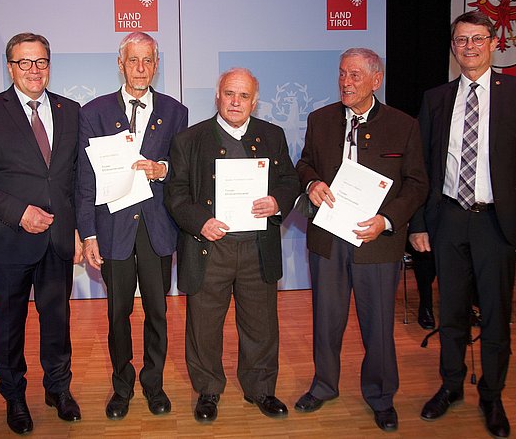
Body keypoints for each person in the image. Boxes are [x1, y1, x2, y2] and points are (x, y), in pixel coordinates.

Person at [410, 11, 516, 438]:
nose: (468, 47)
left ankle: (492, 394)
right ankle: (451, 386)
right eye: (460, 40)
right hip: (449, 219)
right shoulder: (435, 98)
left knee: (494, 315)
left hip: (497, 223)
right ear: (453, 47)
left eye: (476, 39)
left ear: (492, 43)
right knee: (451, 314)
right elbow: (421, 168)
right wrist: (418, 223)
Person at [294, 48, 428, 432]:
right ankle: (323, 386)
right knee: (326, 318)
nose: (346, 82)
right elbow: (305, 162)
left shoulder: (404, 125)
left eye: (354, 75)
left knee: (378, 325)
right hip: (328, 239)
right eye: (341, 74)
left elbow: (418, 184)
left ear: (376, 79)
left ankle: (381, 396)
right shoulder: (319, 120)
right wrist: (312, 182)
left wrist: (387, 221)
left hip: (378, 241)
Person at [0, 33, 82, 435]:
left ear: (50, 64)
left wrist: (80, 230)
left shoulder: (70, 110)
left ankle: (58, 389)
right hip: (11, 239)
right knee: (9, 326)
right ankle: (14, 396)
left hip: (59, 239)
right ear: (10, 67)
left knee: (57, 321)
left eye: (41, 62)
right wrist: (18, 212)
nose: (34, 70)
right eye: (25, 62)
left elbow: (78, 179)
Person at [165, 68, 300, 423]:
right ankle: (208, 390)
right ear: (217, 96)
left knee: (261, 325)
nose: (235, 102)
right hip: (210, 248)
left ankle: (261, 389)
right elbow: (175, 194)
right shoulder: (188, 140)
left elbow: (290, 180)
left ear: (255, 101)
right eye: (229, 94)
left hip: (258, 247)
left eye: (243, 96)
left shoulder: (273, 135)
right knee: (204, 326)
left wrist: (277, 202)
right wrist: (201, 222)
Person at [76, 31, 188, 419]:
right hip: (113, 231)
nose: (141, 68)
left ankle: (153, 384)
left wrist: (165, 169)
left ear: (156, 65)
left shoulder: (176, 111)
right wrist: (88, 233)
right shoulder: (93, 112)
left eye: (148, 61)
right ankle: (121, 387)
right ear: (121, 63)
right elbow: (84, 180)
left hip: (158, 229)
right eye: (133, 60)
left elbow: (184, 169)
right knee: (117, 313)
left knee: (158, 313)